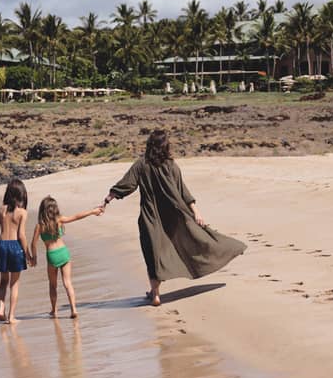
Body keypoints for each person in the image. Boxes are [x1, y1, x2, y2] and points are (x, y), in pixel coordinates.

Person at [103, 130, 245, 306]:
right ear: (165, 146)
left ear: (149, 145)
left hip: (150, 219)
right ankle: (228, 249)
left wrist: (108, 198)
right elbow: (182, 190)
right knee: (194, 239)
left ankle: (155, 294)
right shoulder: (171, 165)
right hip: (173, 218)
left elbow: (127, 184)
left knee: (152, 255)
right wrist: (195, 211)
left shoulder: (141, 165)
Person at [29, 196, 103, 318]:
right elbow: (76, 216)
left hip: (52, 255)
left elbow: (33, 243)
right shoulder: (59, 220)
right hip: (63, 252)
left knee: (53, 285)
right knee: (68, 283)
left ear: (42, 210)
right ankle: (73, 309)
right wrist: (92, 211)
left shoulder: (40, 226)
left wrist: (34, 258)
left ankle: (54, 310)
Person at [0, 178, 31, 323]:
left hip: (2, 246)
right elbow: (21, 236)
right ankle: (11, 316)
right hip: (15, 247)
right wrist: (28, 253)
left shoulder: (1, 210)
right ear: (21, 195)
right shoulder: (22, 213)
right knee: (14, 283)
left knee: (3, 280)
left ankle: (1, 306)